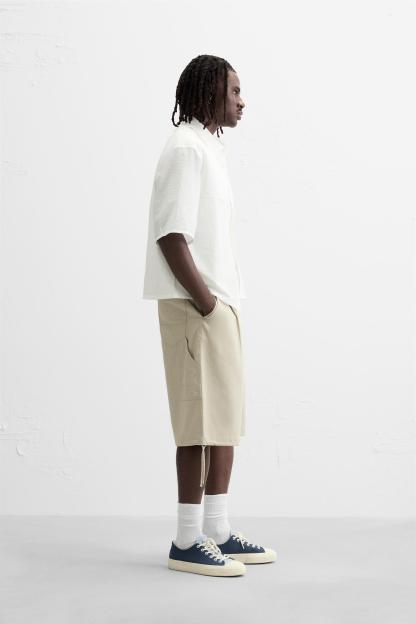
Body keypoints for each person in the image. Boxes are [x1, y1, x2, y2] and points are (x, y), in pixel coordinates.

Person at [142, 54, 276, 576]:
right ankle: (185, 540)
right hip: (194, 306)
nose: (242, 101)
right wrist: (206, 303)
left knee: (223, 420)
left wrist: (222, 306)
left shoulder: (209, 149)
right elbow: (171, 236)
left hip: (220, 306)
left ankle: (216, 529)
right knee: (196, 423)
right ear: (209, 92)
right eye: (234, 91)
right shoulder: (184, 149)